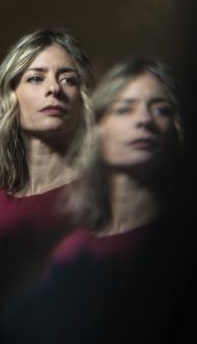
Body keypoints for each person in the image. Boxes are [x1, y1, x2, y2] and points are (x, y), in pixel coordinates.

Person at [0, 28, 94, 261]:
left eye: (68, 79)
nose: (54, 88)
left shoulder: (105, 195)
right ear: (11, 97)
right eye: (36, 78)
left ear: (82, 99)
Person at [52, 57, 183, 263]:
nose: (145, 120)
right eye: (124, 109)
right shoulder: (72, 252)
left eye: (161, 110)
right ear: (96, 130)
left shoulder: (191, 240)